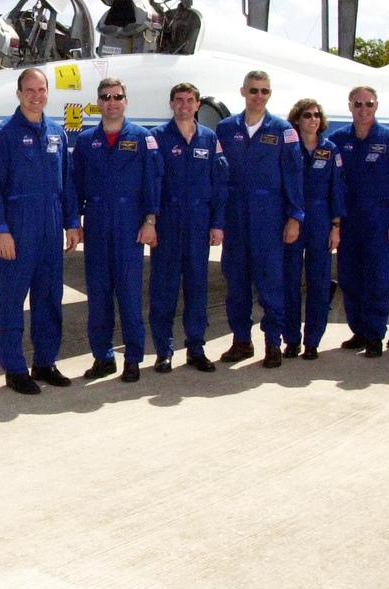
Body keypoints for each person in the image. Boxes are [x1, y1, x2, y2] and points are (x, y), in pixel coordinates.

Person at [0, 68, 82, 395]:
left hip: (51, 224)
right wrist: (1, 230)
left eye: (41, 90)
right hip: (18, 224)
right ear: (19, 93)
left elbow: (66, 183)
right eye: (30, 90)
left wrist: (72, 223)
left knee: (50, 296)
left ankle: (45, 362)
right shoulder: (2, 135)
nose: (36, 96)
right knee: (11, 298)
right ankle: (14, 368)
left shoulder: (57, 132)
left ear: (48, 92)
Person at [72, 76, 161, 382]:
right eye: (106, 97)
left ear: (126, 101)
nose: (111, 102)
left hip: (129, 226)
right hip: (96, 225)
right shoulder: (85, 142)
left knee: (129, 296)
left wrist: (151, 221)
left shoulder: (142, 138)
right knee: (98, 297)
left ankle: (133, 358)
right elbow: (74, 185)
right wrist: (74, 223)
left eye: (117, 97)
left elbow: (153, 182)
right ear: (98, 102)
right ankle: (103, 357)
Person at [215, 70, 304, 369]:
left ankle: (272, 343)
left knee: (271, 284)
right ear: (243, 92)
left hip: (270, 216)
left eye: (264, 91)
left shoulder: (283, 130)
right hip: (236, 216)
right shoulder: (226, 129)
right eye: (253, 90)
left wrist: (295, 217)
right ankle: (241, 340)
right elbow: (218, 173)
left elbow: (294, 176)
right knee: (236, 282)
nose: (258, 96)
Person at [148, 83, 229, 373]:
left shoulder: (209, 138)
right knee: (163, 290)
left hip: (198, 224)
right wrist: (151, 222)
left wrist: (218, 224)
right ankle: (163, 351)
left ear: (197, 105)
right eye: (179, 100)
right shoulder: (157, 138)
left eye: (190, 101)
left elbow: (220, 183)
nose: (184, 105)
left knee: (197, 289)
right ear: (171, 104)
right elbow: (151, 183)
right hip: (167, 224)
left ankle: (196, 348)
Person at [329, 86, 389, 357]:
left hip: (379, 220)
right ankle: (359, 331)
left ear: (376, 106)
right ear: (350, 106)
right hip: (348, 221)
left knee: (377, 279)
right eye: (357, 104)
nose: (363, 109)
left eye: (368, 104)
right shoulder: (338, 140)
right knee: (349, 277)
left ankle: (375, 334)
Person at [281, 99, 346, 360]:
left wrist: (336, 226)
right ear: (297, 119)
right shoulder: (289, 148)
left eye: (317, 115)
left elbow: (337, 189)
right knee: (290, 282)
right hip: (293, 219)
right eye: (307, 115)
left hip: (321, 219)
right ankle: (292, 340)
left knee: (319, 283)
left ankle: (312, 341)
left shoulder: (329, 150)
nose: (313, 120)